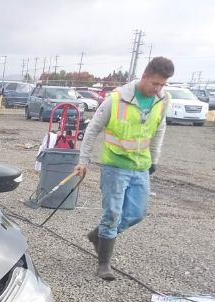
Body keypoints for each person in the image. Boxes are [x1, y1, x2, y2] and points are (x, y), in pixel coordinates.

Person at [72, 57, 174, 280]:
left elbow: (159, 131)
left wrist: (154, 160)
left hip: (141, 166)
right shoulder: (116, 99)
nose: (158, 89)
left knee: (137, 213)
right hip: (114, 166)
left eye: (163, 84)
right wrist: (83, 160)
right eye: (155, 83)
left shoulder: (163, 100)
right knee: (113, 213)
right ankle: (104, 264)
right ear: (144, 75)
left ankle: (98, 235)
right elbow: (92, 130)